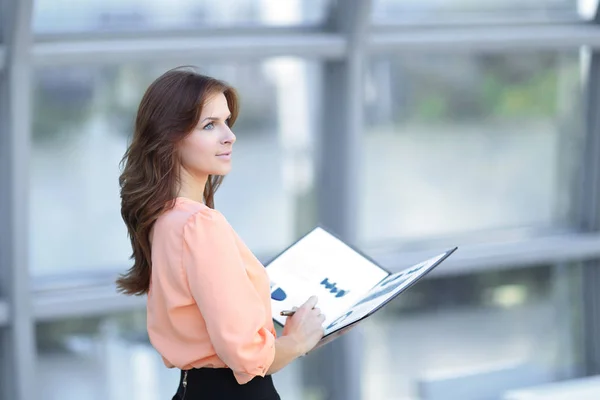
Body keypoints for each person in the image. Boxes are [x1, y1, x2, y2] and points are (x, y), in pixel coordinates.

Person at [115, 66, 326, 399]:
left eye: (227, 122)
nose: (230, 136)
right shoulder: (200, 224)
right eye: (209, 125)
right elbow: (249, 356)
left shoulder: (162, 218)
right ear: (170, 136)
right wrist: (298, 340)